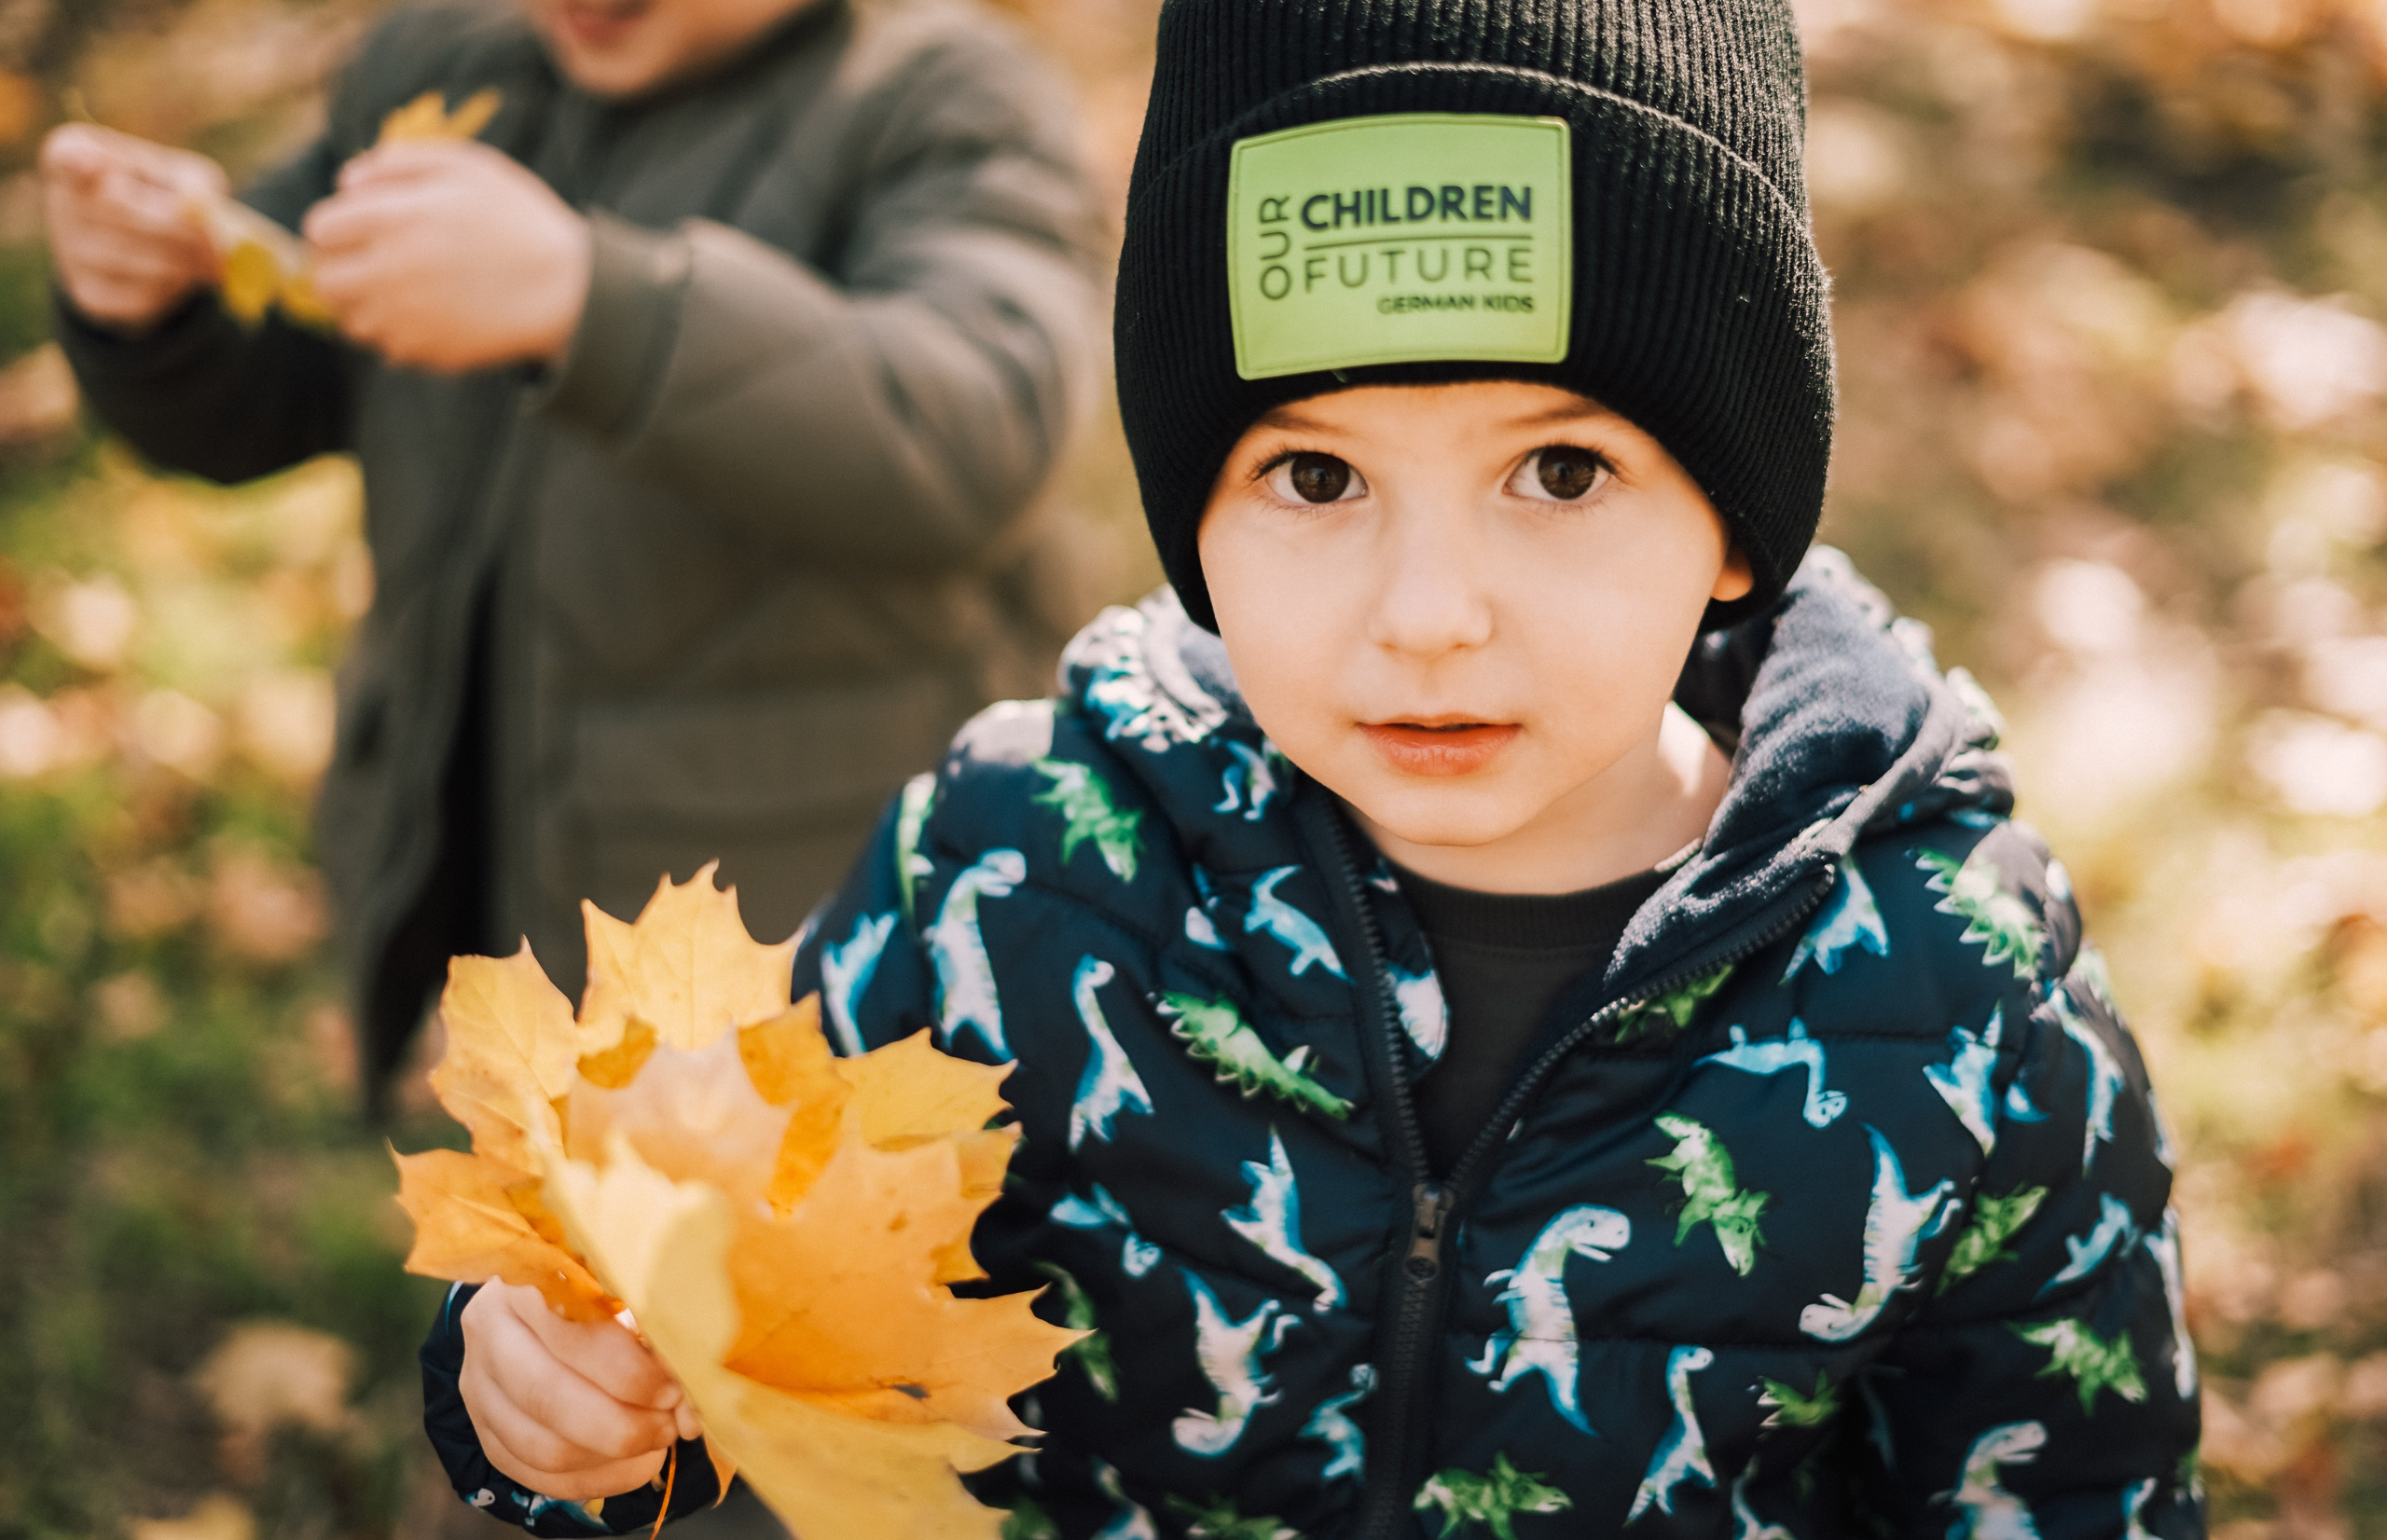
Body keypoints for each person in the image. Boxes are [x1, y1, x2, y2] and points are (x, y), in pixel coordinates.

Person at [415, 0, 2207, 1529]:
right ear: (1197, 513)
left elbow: (2071, 1481)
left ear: (1736, 518)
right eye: (1317, 478)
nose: (1428, 615)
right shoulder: (1013, 876)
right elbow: (710, 1322)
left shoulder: (1959, 1001)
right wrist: (568, 1398)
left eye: (1561, 473)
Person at [39, 0, 1107, 1113]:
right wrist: (159, 309)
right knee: (553, 1241)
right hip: (509, 879)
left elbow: (982, 423)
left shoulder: (936, 97)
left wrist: (596, 306)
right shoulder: (455, 69)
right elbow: (275, 379)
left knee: (795, 1256)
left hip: (810, 932)